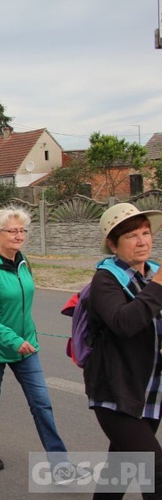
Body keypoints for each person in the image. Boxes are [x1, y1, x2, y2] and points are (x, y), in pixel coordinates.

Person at [0, 207, 70, 472]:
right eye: (12, 231)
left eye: (22, 230)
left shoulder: (24, 262)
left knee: (41, 403)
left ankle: (59, 462)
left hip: (26, 346)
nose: (18, 235)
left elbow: (24, 306)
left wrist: (27, 336)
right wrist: (13, 340)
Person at [85, 203, 162, 497]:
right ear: (112, 243)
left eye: (146, 232)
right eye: (132, 235)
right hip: (116, 393)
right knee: (155, 471)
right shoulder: (105, 279)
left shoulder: (151, 273)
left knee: (120, 469)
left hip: (149, 392)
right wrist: (158, 286)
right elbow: (124, 323)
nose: (143, 241)